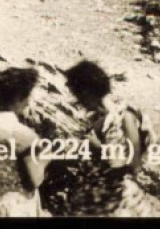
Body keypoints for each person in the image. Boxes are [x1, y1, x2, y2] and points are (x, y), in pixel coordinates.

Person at [63, 60, 155, 217]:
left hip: (118, 201)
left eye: (78, 95)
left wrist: (96, 147)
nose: (79, 102)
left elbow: (133, 164)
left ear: (87, 92)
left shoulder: (124, 116)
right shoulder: (100, 118)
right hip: (96, 197)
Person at [0, 67, 48, 216]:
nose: (30, 102)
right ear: (18, 98)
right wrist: (46, 158)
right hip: (17, 206)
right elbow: (34, 180)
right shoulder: (24, 134)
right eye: (29, 97)